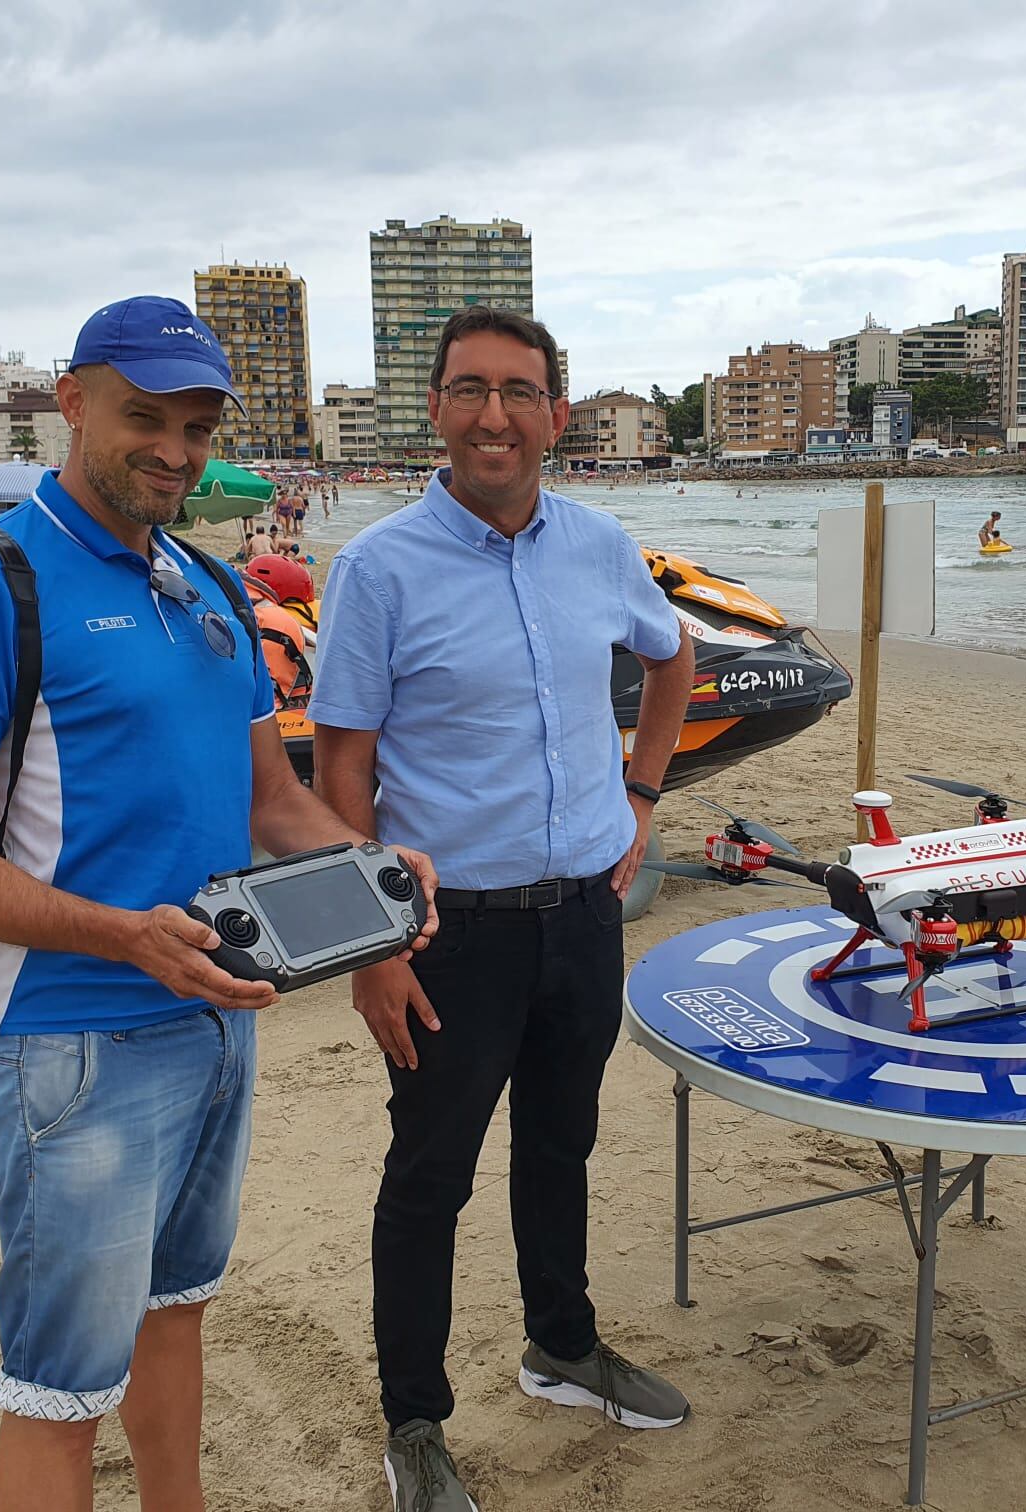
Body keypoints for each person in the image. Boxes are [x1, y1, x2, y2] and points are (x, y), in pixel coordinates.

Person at [0, 294, 437, 1512]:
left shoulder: (210, 588)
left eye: (195, 426)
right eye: (145, 417)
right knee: (59, 1389)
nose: (174, 451)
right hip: (71, 1041)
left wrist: (372, 868)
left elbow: (273, 807)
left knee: (177, 1314)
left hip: (218, 1017)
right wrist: (120, 933)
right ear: (71, 402)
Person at [309, 306, 696, 1512]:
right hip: (445, 931)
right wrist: (371, 948)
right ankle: (415, 1422)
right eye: (470, 390)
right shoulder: (378, 568)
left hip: (584, 913)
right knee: (429, 1176)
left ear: (555, 417)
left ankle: (561, 1344)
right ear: (434, 409)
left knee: (561, 1144)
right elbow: (341, 776)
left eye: (519, 392)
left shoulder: (598, 544)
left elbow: (672, 659)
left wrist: (641, 793)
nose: (495, 416)